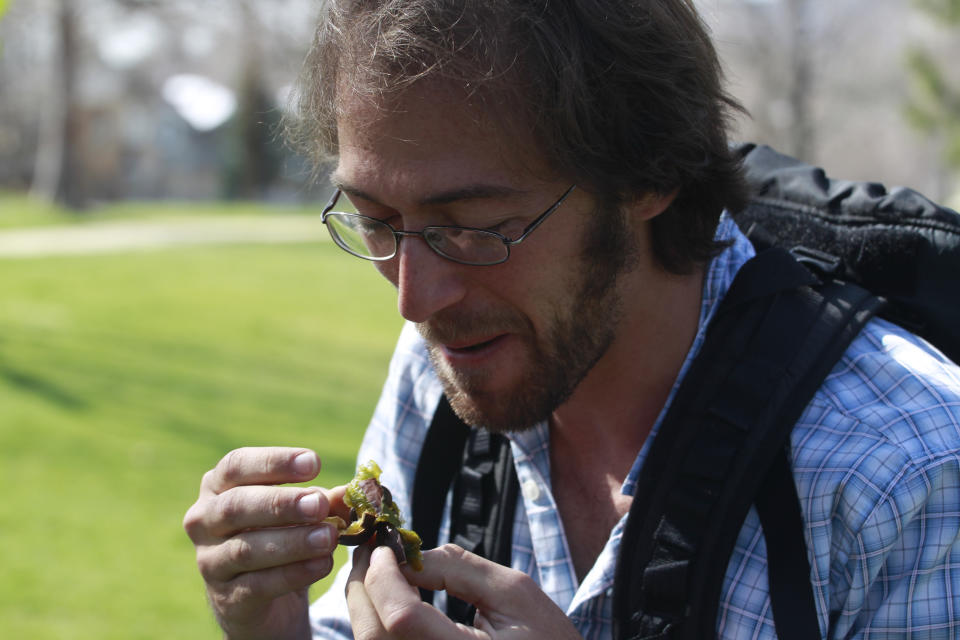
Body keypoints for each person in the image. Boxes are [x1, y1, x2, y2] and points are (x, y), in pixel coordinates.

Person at [182, 1, 960, 638]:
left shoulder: (901, 472)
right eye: (377, 220)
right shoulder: (449, 362)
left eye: (476, 225)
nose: (415, 300)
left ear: (649, 174)